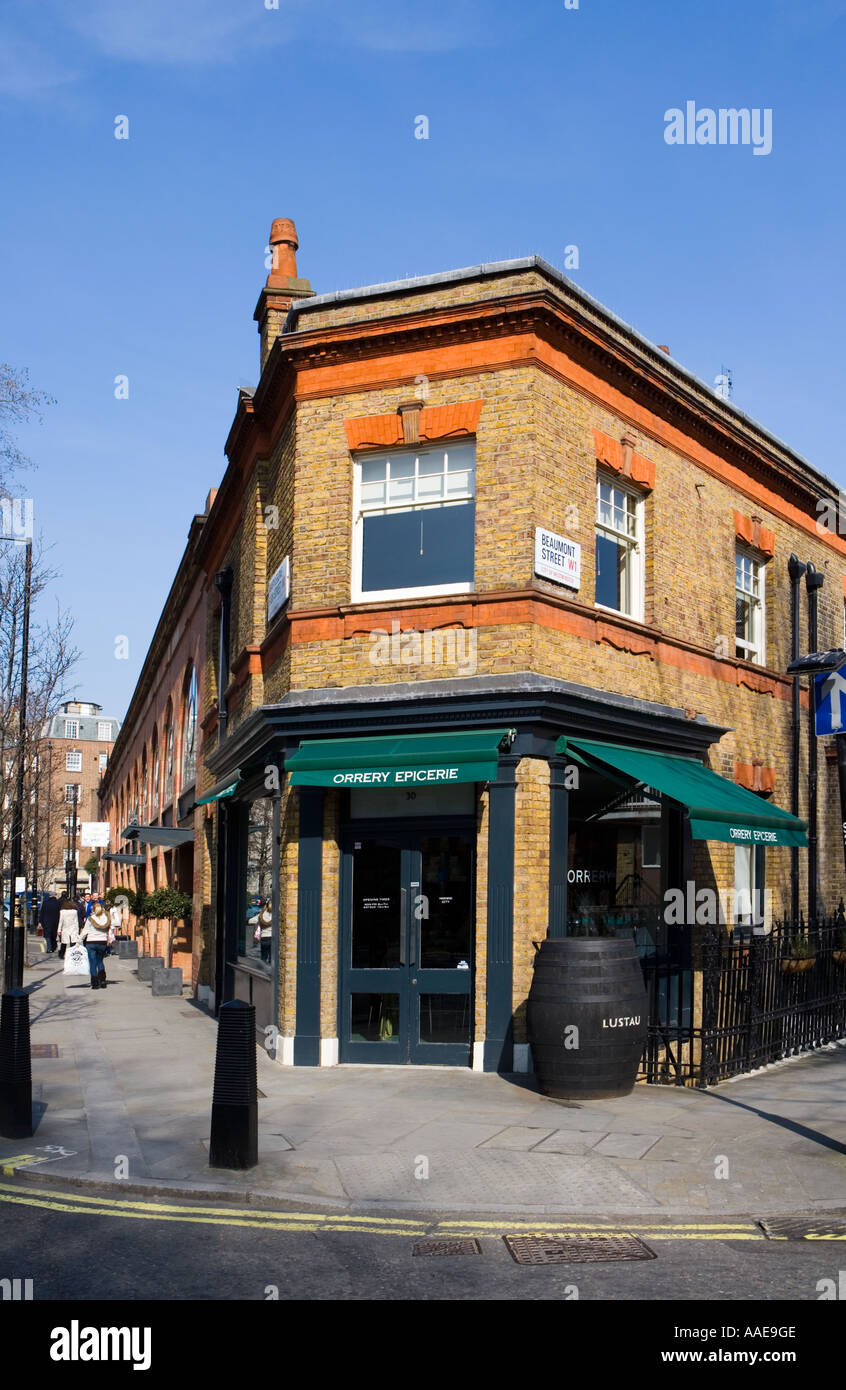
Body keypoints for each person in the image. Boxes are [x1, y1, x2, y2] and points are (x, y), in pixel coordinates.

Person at [80, 901, 110, 990]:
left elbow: (85, 931)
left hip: (91, 942)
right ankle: (103, 981)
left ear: (93, 909)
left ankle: (95, 983)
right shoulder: (106, 918)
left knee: (92, 963)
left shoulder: (90, 919)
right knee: (100, 961)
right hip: (102, 942)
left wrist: (78, 941)